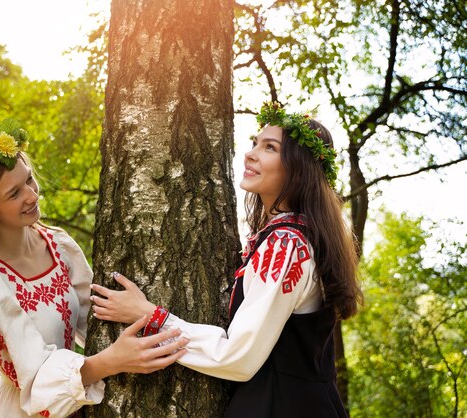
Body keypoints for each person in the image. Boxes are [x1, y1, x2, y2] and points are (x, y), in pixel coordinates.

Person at [90, 102, 364, 417]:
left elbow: (238, 357)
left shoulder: (286, 245)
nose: (251, 153)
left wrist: (150, 316)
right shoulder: (297, 236)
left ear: (298, 168)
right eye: (255, 143)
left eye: (270, 148)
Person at [0, 124, 188, 418]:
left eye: (29, 180)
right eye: (14, 193)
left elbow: (96, 317)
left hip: (75, 401)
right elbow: (36, 377)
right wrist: (113, 361)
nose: (32, 195)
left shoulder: (58, 244)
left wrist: (141, 311)